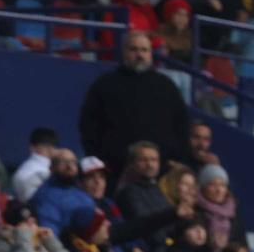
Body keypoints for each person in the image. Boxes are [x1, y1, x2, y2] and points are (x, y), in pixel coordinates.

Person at [78, 33, 188, 181]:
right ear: (124, 52)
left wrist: (176, 158)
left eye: (144, 50)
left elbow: (181, 124)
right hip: (115, 170)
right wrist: (98, 157)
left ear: (151, 53)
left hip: (162, 171)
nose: (139, 54)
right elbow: (89, 124)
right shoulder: (105, 84)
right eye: (134, 49)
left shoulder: (166, 86)